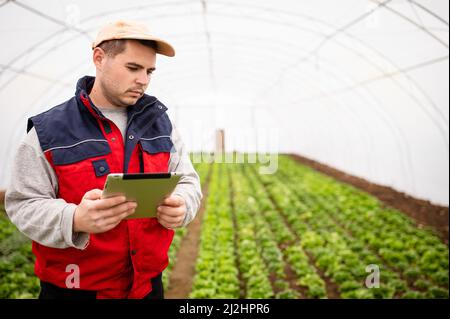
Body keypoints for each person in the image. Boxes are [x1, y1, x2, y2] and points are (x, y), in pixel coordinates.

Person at [4, 20, 202, 299]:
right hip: (75, 290)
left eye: (149, 71)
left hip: (146, 287)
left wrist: (183, 205)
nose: (143, 80)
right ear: (99, 58)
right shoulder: (49, 131)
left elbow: (188, 181)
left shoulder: (160, 123)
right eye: (133, 68)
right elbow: (23, 204)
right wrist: (74, 218)